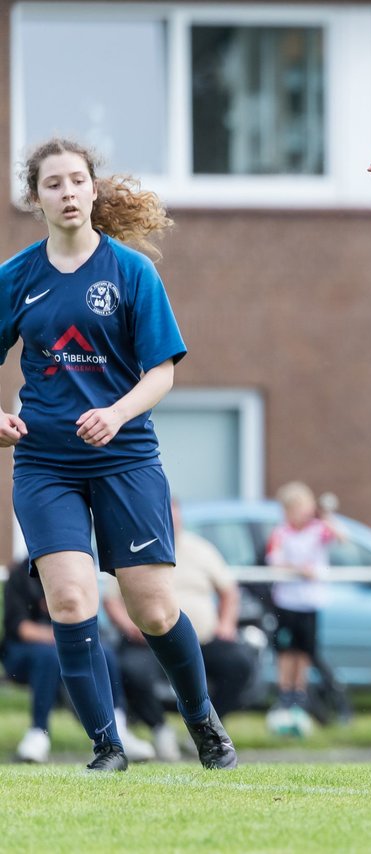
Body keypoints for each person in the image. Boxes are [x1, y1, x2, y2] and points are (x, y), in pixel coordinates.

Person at [0, 139, 236, 771]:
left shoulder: (131, 271)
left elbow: (162, 371)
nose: (68, 192)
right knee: (71, 601)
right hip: (45, 463)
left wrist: (117, 412)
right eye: (54, 184)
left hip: (125, 455)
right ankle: (107, 746)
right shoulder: (16, 277)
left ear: (93, 189)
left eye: (78, 180)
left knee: (154, 610)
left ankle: (203, 723)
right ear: (37, 198)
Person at [102, 499, 256, 761]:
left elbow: (229, 591)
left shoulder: (202, 550)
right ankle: (159, 728)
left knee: (239, 663)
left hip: (203, 640)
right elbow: (111, 599)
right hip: (148, 641)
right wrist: (129, 626)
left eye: (175, 519)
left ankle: (207, 728)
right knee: (128, 669)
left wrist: (226, 623)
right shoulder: (133, 548)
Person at [1, 558, 155, 763]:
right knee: (48, 656)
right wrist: (65, 639)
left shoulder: (75, 570)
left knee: (105, 653)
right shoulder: (20, 574)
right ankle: (38, 732)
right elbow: (22, 628)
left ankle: (118, 729)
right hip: (23, 653)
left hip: (66, 646)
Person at [266, 481, 343, 731]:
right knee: (286, 651)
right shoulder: (281, 533)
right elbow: (275, 562)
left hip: (310, 602)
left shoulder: (318, 530)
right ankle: (284, 694)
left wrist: (325, 516)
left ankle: (299, 694)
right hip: (287, 602)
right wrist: (300, 570)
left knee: (304, 652)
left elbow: (342, 537)